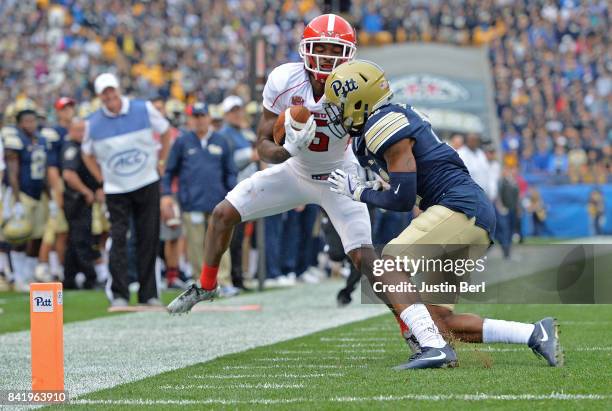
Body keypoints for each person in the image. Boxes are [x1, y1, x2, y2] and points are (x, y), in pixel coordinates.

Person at [323, 59, 562, 368]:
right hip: (470, 212)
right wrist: (367, 186)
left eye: (340, 104)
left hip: (459, 206)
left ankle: (434, 349)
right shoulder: (377, 128)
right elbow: (402, 184)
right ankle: (534, 333)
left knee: (387, 266)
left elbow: (402, 197)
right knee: (441, 321)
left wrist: (359, 193)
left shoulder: (384, 122)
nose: (336, 112)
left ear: (359, 100)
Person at [168, 15, 377, 320]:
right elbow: (262, 143)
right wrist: (288, 149)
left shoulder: (358, 84)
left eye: (335, 50)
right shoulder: (284, 80)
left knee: (365, 260)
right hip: (296, 171)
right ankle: (206, 285)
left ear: (349, 54)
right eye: (322, 48)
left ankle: (415, 328)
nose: (328, 57)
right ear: (306, 49)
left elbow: (374, 135)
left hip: (339, 175)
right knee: (222, 214)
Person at [81, 73, 170, 307]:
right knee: (118, 240)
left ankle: (148, 294)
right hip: (116, 190)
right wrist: (101, 179)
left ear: (118, 89)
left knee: (148, 237)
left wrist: (161, 162)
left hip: (146, 182)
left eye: (111, 90)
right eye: (104, 93)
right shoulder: (92, 122)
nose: (109, 96)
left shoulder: (144, 108)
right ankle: (119, 294)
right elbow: (86, 153)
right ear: (99, 96)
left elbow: (166, 131)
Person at [161, 103, 236, 293]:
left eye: (202, 115)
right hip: (191, 201)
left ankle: (224, 281)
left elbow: (230, 172)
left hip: (218, 202)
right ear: (190, 119)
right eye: (195, 116)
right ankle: (201, 282)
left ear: (209, 117)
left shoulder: (221, 140)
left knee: (220, 243)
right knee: (195, 245)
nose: (199, 119)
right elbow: (170, 171)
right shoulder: (182, 141)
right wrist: (167, 194)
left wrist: (232, 195)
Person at [3, 109, 50, 291]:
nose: (30, 124)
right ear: (20, 124)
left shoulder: (40, 139)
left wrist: (50, 197)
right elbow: (13, 173)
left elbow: (44, 170)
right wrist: (17, 201)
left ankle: (29, 274)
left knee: (37, 236)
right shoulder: (16, 140)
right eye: (27, 121)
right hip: (23, 193)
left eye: (33, 121)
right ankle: (19, 276)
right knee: (20, 236)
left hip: (38, 193)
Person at [35, 97, 76, 282]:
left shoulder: (75, 129)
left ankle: (56, 267)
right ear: (58, 111)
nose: (68, 111)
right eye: (64, 108)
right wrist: (57, 192)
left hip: (72, 184)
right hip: (59, 184)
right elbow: (51, 167)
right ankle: (43, 266)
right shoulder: (53, 132)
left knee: (63, 230)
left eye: (70, 107)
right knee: (54, 227)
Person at [61, 118, 103, 289]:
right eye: (78, 130)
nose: (81, 133)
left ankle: (69, 278)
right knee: (82, 239)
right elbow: (69, 175)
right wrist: (86, 191)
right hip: (76, 200)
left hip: (82, 199)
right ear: (71, 130)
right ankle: (90, 277)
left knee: (74, 241)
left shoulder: (82, 147)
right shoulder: (71, 148)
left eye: (83, 130)